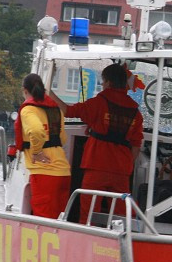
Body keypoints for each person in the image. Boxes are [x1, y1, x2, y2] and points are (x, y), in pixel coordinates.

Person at [50, 63, 143, 221]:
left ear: (108, 82)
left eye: (103, 81)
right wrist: (126, 165)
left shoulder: (99, 103)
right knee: (121, 213)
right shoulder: (135, 111)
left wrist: (49, 92)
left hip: (96, 166)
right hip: (121, 170)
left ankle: (89, 239)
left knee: (89, 211)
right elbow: (136, 144)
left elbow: (68, 111)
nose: (101, 84)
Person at [15, 73, 71, 219]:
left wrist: (36, 152)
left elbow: (36, 131)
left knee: (44, 218)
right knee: (61, 219)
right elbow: (62, 139)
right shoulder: (56, 109)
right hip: (64, 172)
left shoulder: (28, 110)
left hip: (45, 172)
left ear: (25, 90)